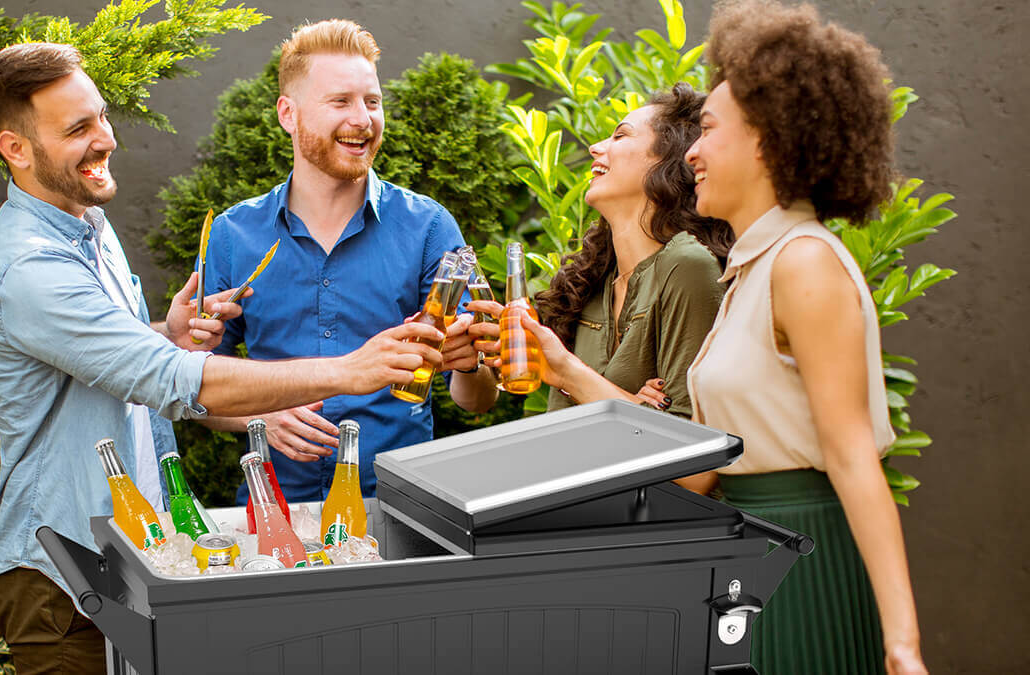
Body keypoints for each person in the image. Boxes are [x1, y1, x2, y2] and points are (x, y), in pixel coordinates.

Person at [0, 42, 444, 673]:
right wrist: (354, 368)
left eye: (102, 117)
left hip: (127, 551)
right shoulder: (30, 265)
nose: (104, 140)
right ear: (16, 149)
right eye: (78, 129)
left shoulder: (86, 225)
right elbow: (166, 381)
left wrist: (167, 334)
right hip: (62, 576)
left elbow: (119, 363)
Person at [678, 1, 928, 673]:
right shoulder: (752, 272)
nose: (691, 153)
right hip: (751, 563)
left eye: (705, 130)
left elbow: (852, 458)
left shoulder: (803, 263)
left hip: (804, 562)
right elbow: (712, 461)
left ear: (767, 139)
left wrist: (902, 646)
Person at [198, 20, 498, 503]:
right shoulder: (234, 235)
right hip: (274, 509)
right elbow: (196, 389)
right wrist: (257, 416)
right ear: (288, 114)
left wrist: (470, 366)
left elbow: (479, 400)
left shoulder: (428, 228)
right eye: (340, 102)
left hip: (399, 507)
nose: (363, 119)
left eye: (372, 102)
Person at [468, 84, 731, 415]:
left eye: (620, 136)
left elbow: (689, 440)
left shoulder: (687, 266)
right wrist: (632, 402)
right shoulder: (588, 283)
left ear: (669, 160)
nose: (595, 148)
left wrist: (566, 371)